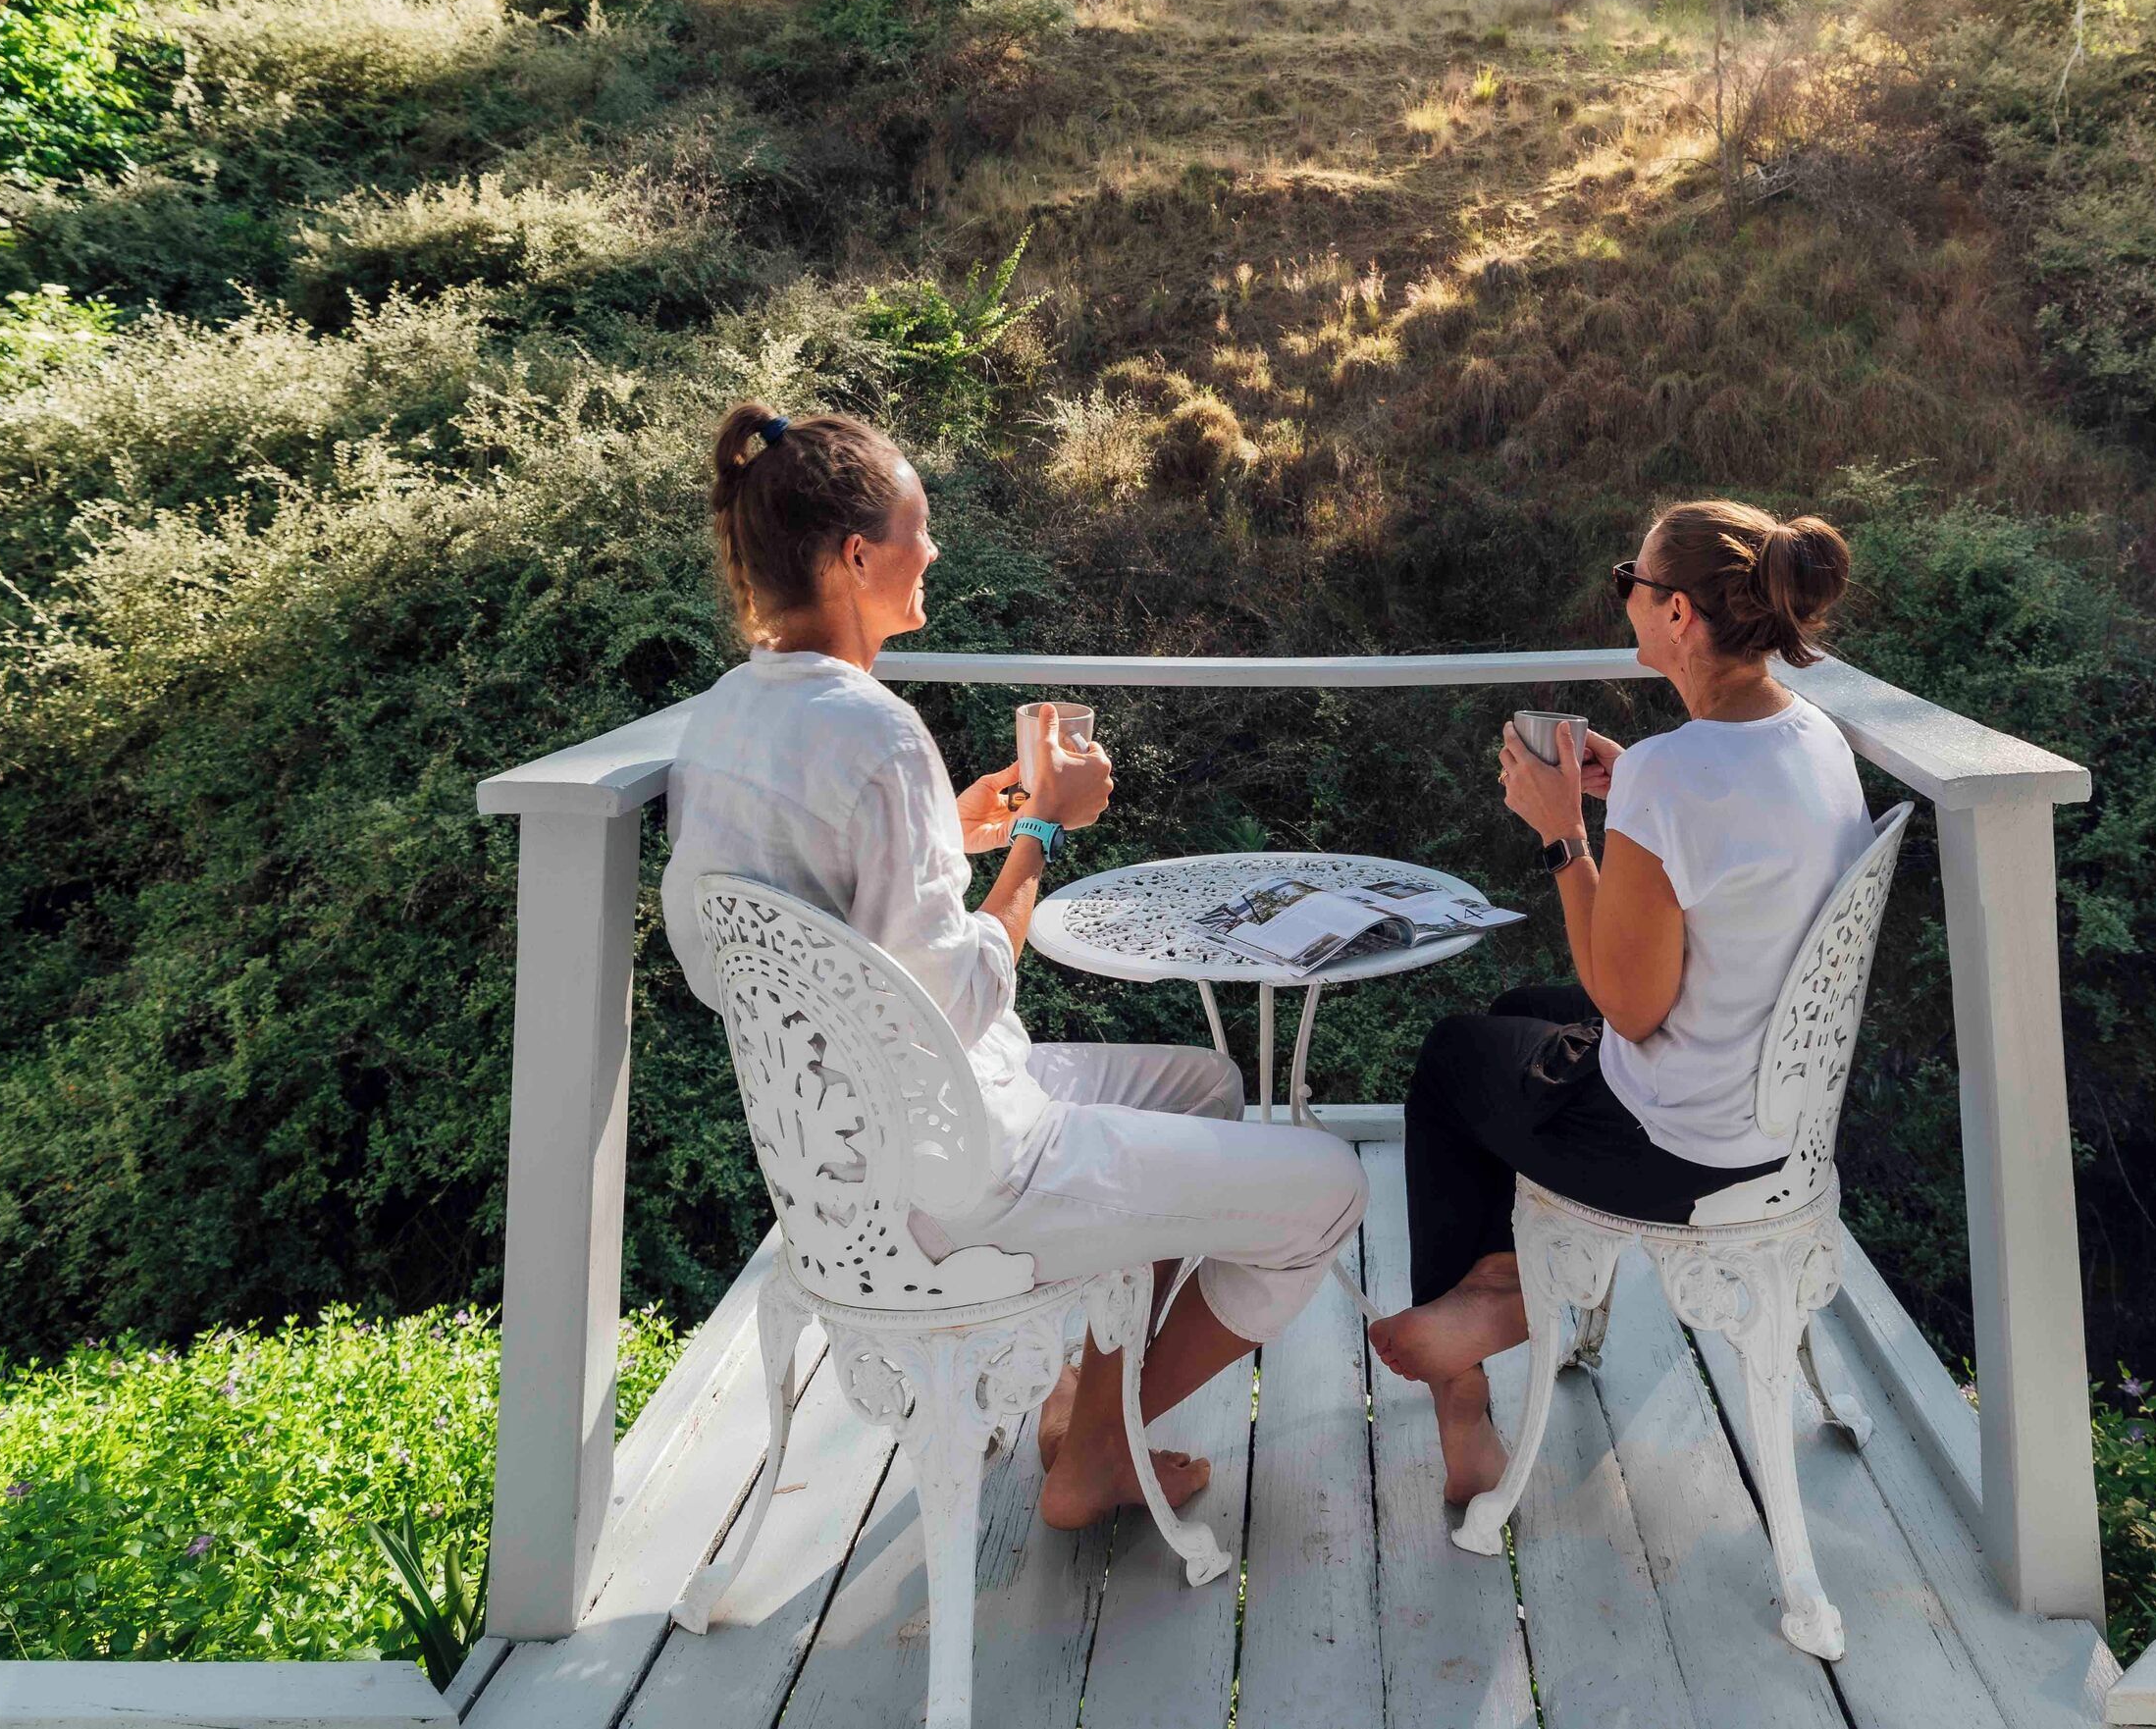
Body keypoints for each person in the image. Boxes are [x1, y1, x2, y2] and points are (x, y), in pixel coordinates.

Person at [664, 401, 1367, 1530]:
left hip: (846, 1153)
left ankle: (1080, 1421)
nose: (932, 548)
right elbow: (952, 994)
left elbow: (768, 946)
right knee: (1331, 1187)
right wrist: (1043, 826)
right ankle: (1101, 1445)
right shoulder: (879, 732)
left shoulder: (724, 719)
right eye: (917, 526)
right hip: (966, 1167)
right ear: (855, 557)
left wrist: (949, 832)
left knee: (1205, 1084)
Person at [1366, 498, 1866, 1504]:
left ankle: (1470, 1379)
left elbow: (1630, 1008)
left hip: (1678, 1148)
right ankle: (1502, 1278)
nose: (1623, 600)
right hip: (1781, 1120)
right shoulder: (1807, 734)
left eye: (1627, 583)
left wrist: (1565, 834)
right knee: (1520, 1001)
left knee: (1455, 1056)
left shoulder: (1676, 777)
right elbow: (1733, 857)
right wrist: (1629, 781)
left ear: (1676, 611)